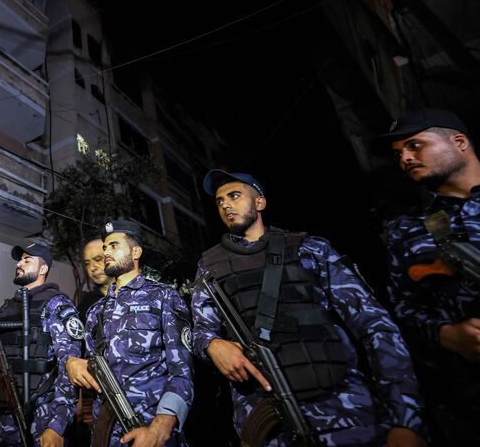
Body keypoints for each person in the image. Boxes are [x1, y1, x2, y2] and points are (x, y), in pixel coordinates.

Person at [191, 169, 427, 446]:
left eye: (234, 196)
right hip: (268, 421)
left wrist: (406, 420)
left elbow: (375, 325)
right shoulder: (209, 266)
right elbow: (200, 331)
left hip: (345, 412)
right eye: (219, 201)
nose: (226, 205)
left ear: (260, 203)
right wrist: (212, 345)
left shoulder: (310, 248)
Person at [373, 108, 480, 446]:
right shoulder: (407, 230)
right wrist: (446, 334)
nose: (405, 157)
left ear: (459, 142)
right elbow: (402, 307)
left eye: (415, 145)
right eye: (398, 154)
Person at [66, 220, 193, 447]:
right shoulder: (96, 311)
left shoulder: (163, 297)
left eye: (114, 245)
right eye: (105, 247)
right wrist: (73, 362)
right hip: (105, 433)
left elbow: (182, 371)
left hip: (151, 429)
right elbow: (87, 365)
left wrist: (160, 427)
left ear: (136, 252)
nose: (106, 252)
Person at [0, 243, 84, 447]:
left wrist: (57, 425)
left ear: (43, 269)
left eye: (27, 260)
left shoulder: (57, 304)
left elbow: (70, 369)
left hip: (38, 418)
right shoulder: (6, 308)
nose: (19, 264)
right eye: (19, 260)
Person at [76, 239, 114, 320]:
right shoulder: (86, 305)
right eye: (87, 263)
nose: (92, 268)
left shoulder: (141, 295)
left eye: (98, 259)